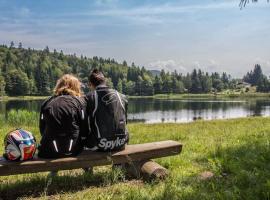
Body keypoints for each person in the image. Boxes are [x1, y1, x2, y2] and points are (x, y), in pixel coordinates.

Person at [38, 74, 87, 158]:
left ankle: (54, 171)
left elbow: (42, 128)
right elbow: (85, 129)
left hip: (48, 151)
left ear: (59, 85)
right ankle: (87, 169)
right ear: (76, 87)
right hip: (73, 150)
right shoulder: (79, 102)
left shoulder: (47, 102)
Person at [85, 69, 129, 151]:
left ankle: (88, 163)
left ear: (90, 84)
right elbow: (125, 120)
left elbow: (85, 124)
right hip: (122, 143)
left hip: (101, 144)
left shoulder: (89, 97)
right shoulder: (122, 96)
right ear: (104, 82)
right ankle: (118, 164)